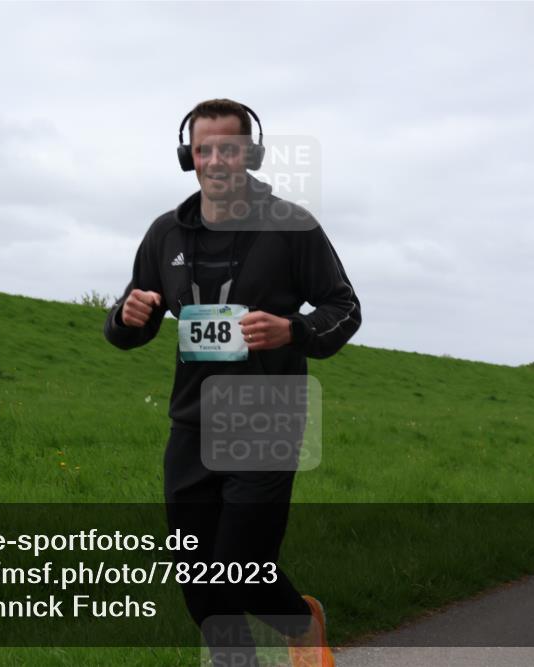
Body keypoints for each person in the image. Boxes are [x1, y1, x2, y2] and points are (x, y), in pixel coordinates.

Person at [103, 98, 361, 667]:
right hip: (191, 421)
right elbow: (127, 325)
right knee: (194, 567)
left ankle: (300, 622)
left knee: (241, 563)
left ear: (252, 154)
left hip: (266, 417)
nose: (215, 160)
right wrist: (128, 316)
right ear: (188, 156)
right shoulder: (164, 233)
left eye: (229, 148)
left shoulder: (292, 227)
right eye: (204, 149)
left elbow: (345, 308)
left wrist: (293, 329)